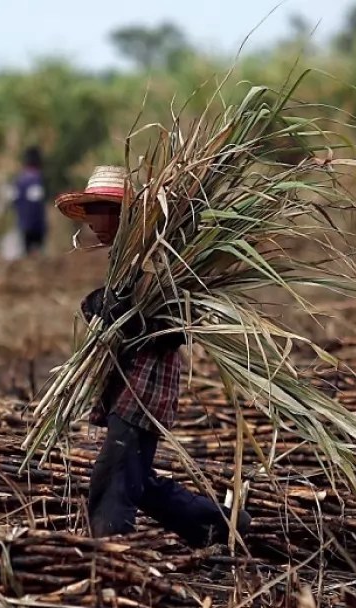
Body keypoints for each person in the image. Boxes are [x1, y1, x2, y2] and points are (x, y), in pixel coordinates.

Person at [55, 165, 252, 548]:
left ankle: (111, 554)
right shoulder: (126, 262)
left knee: (112, 480)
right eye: (91, 208)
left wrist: (124, 316)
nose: (94, 220)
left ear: (123, 214)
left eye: (101, 208)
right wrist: (102, 305)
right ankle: (219, 526)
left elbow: (179, 323)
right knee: (137, 480)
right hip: (131, 384)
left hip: (145, 387)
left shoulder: (154, 261)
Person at [12, 146, 47, 256]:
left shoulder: (19, 179)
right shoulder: (37, 178)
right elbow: (36, 203)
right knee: (36, 253)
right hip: (36, 224)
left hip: (23, 223)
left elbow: (14, 201)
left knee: (26, 253)